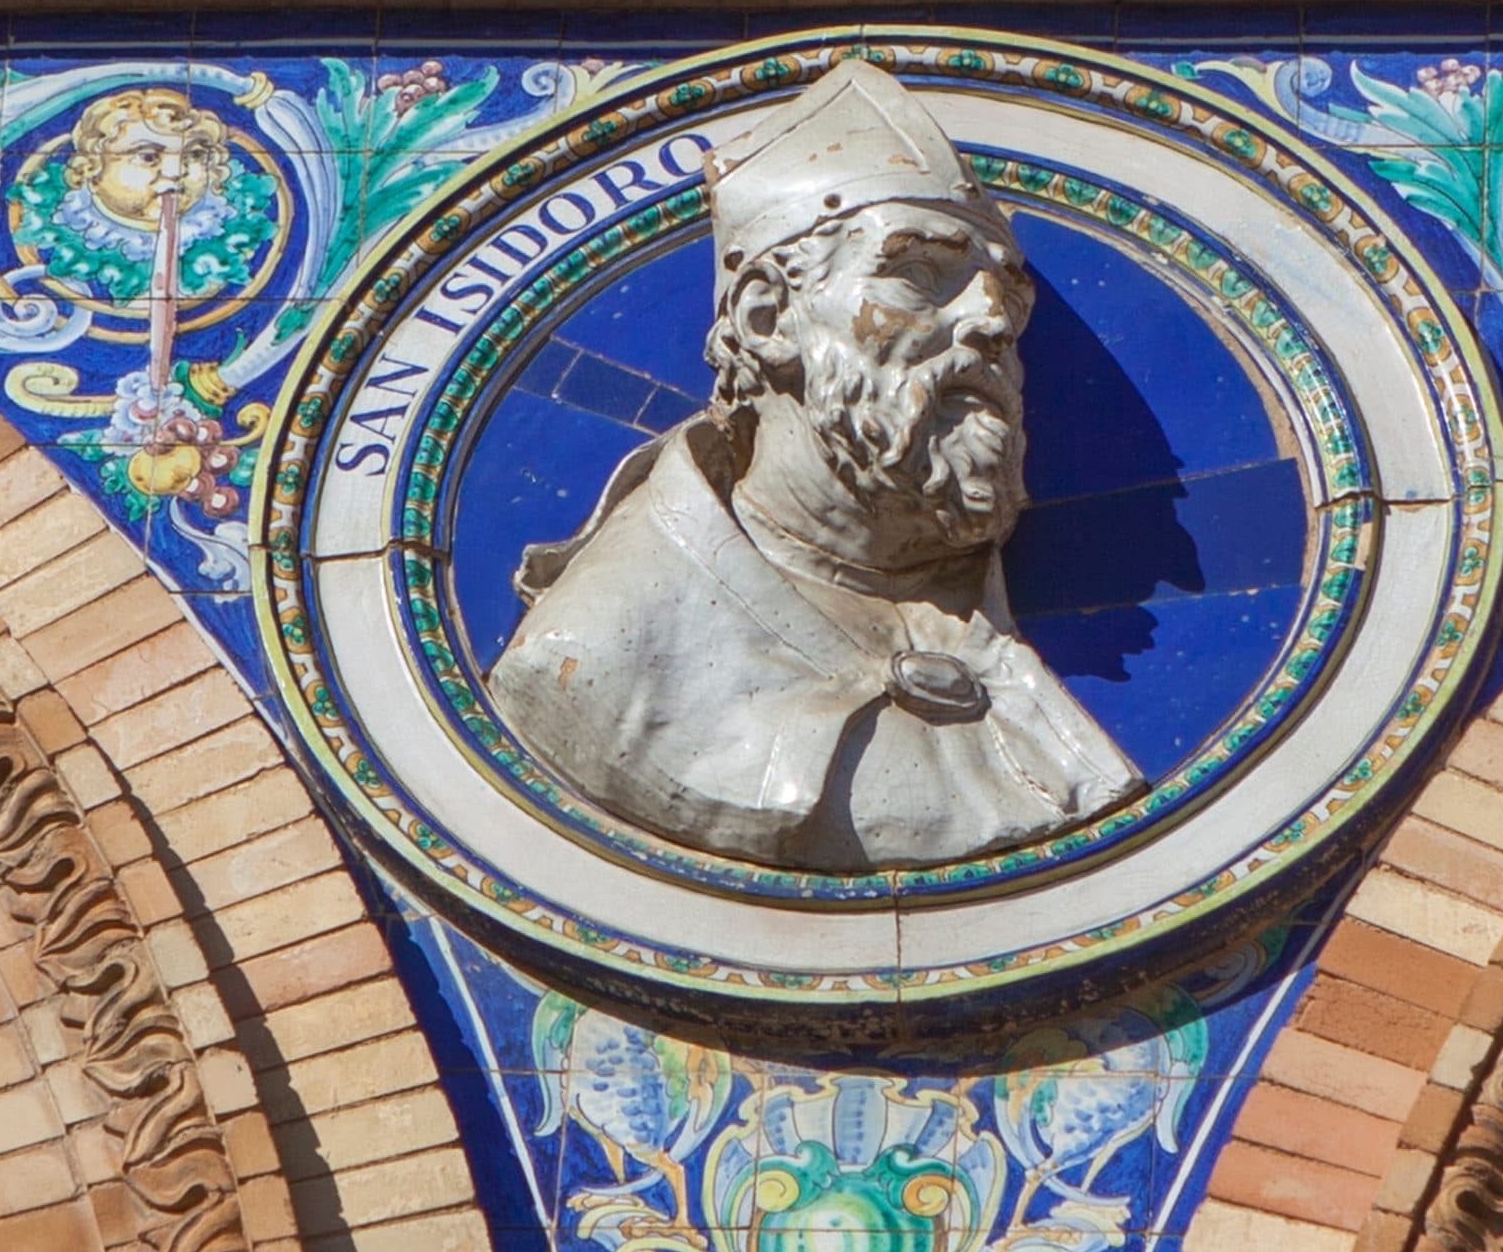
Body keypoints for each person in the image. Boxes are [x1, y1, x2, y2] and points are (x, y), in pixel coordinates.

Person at [487, 61, 1144, 873]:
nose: (990, 321)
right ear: (769, 319)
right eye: (918, 275)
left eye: (1003, 293)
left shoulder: (969, 604)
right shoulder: (601, 661)